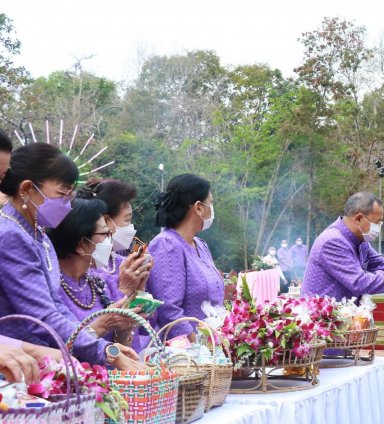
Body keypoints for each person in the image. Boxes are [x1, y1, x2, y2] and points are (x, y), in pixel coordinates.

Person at [0, 142, 142, 369]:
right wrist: (105, 351)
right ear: (27, 189)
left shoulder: (38, 235)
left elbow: (56, 306)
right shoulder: (10, 234)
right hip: (18, 365)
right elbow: (43, 318)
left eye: (70, 194)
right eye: (61, 193)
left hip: (43, 361)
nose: (67, 203)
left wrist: (98, 345)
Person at [47, 198, 148, 349]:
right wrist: (102, 324)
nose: (110, 240)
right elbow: (59, 348)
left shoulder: (99, 282)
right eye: (105, 234)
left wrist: (126, 326)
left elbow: (123, 349)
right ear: (81, 245)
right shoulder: (51, 290)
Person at [301, 192, 384, 300]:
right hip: (322, 320)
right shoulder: (332, 241)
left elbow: (382, 264)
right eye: (377, 222)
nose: (379, 228)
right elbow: (359, 282)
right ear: (358, 218)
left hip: (342, 316)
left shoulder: (360, 242)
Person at [147, 174, 224, 341]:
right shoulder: (167, 245)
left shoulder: (200, 245)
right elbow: (168, 309)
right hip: (189, 356)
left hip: (212, 350)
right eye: (210, 203)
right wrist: (197, 346)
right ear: (198, 207)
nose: (212, 208)